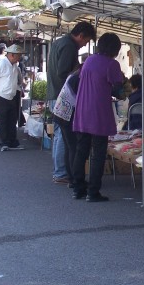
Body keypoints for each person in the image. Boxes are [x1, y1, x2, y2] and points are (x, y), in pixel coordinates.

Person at [72, 33, 125, 202]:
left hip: (82, 108)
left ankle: (78, 188)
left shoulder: (89, 60)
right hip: (99, 111)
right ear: (115, 49)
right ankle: (93, 192)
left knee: (81, 151)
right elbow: (118, 90)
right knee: (98, 153)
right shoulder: (112, 64)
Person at [46, 21, 96, 185]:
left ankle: (59, 170)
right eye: (86, 41)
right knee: (63, 135)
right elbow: (63, 71)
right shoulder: (69, 46)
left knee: (60, 134)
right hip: (63, 96)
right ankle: (61, 172)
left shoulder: (59, 42)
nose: (84, 45)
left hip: (55, 92)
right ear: (80, 35)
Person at [0, 44, 26, 150]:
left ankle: (12, 141)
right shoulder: (1, 64)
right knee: (3, 120)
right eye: (18, 55)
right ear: (12, 55)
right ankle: (5, 142)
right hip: (0, 96)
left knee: (12, 120)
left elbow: (18, 81)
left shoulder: (15, 66)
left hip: (11, 96)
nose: (20, 57)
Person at [53, 65, 82, 189]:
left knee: (69, 147)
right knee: (73, 147)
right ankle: (73, 179)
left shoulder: (74, 75)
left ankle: (69, 177)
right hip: (67, 114)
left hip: (61, 113)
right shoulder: (79, 78)